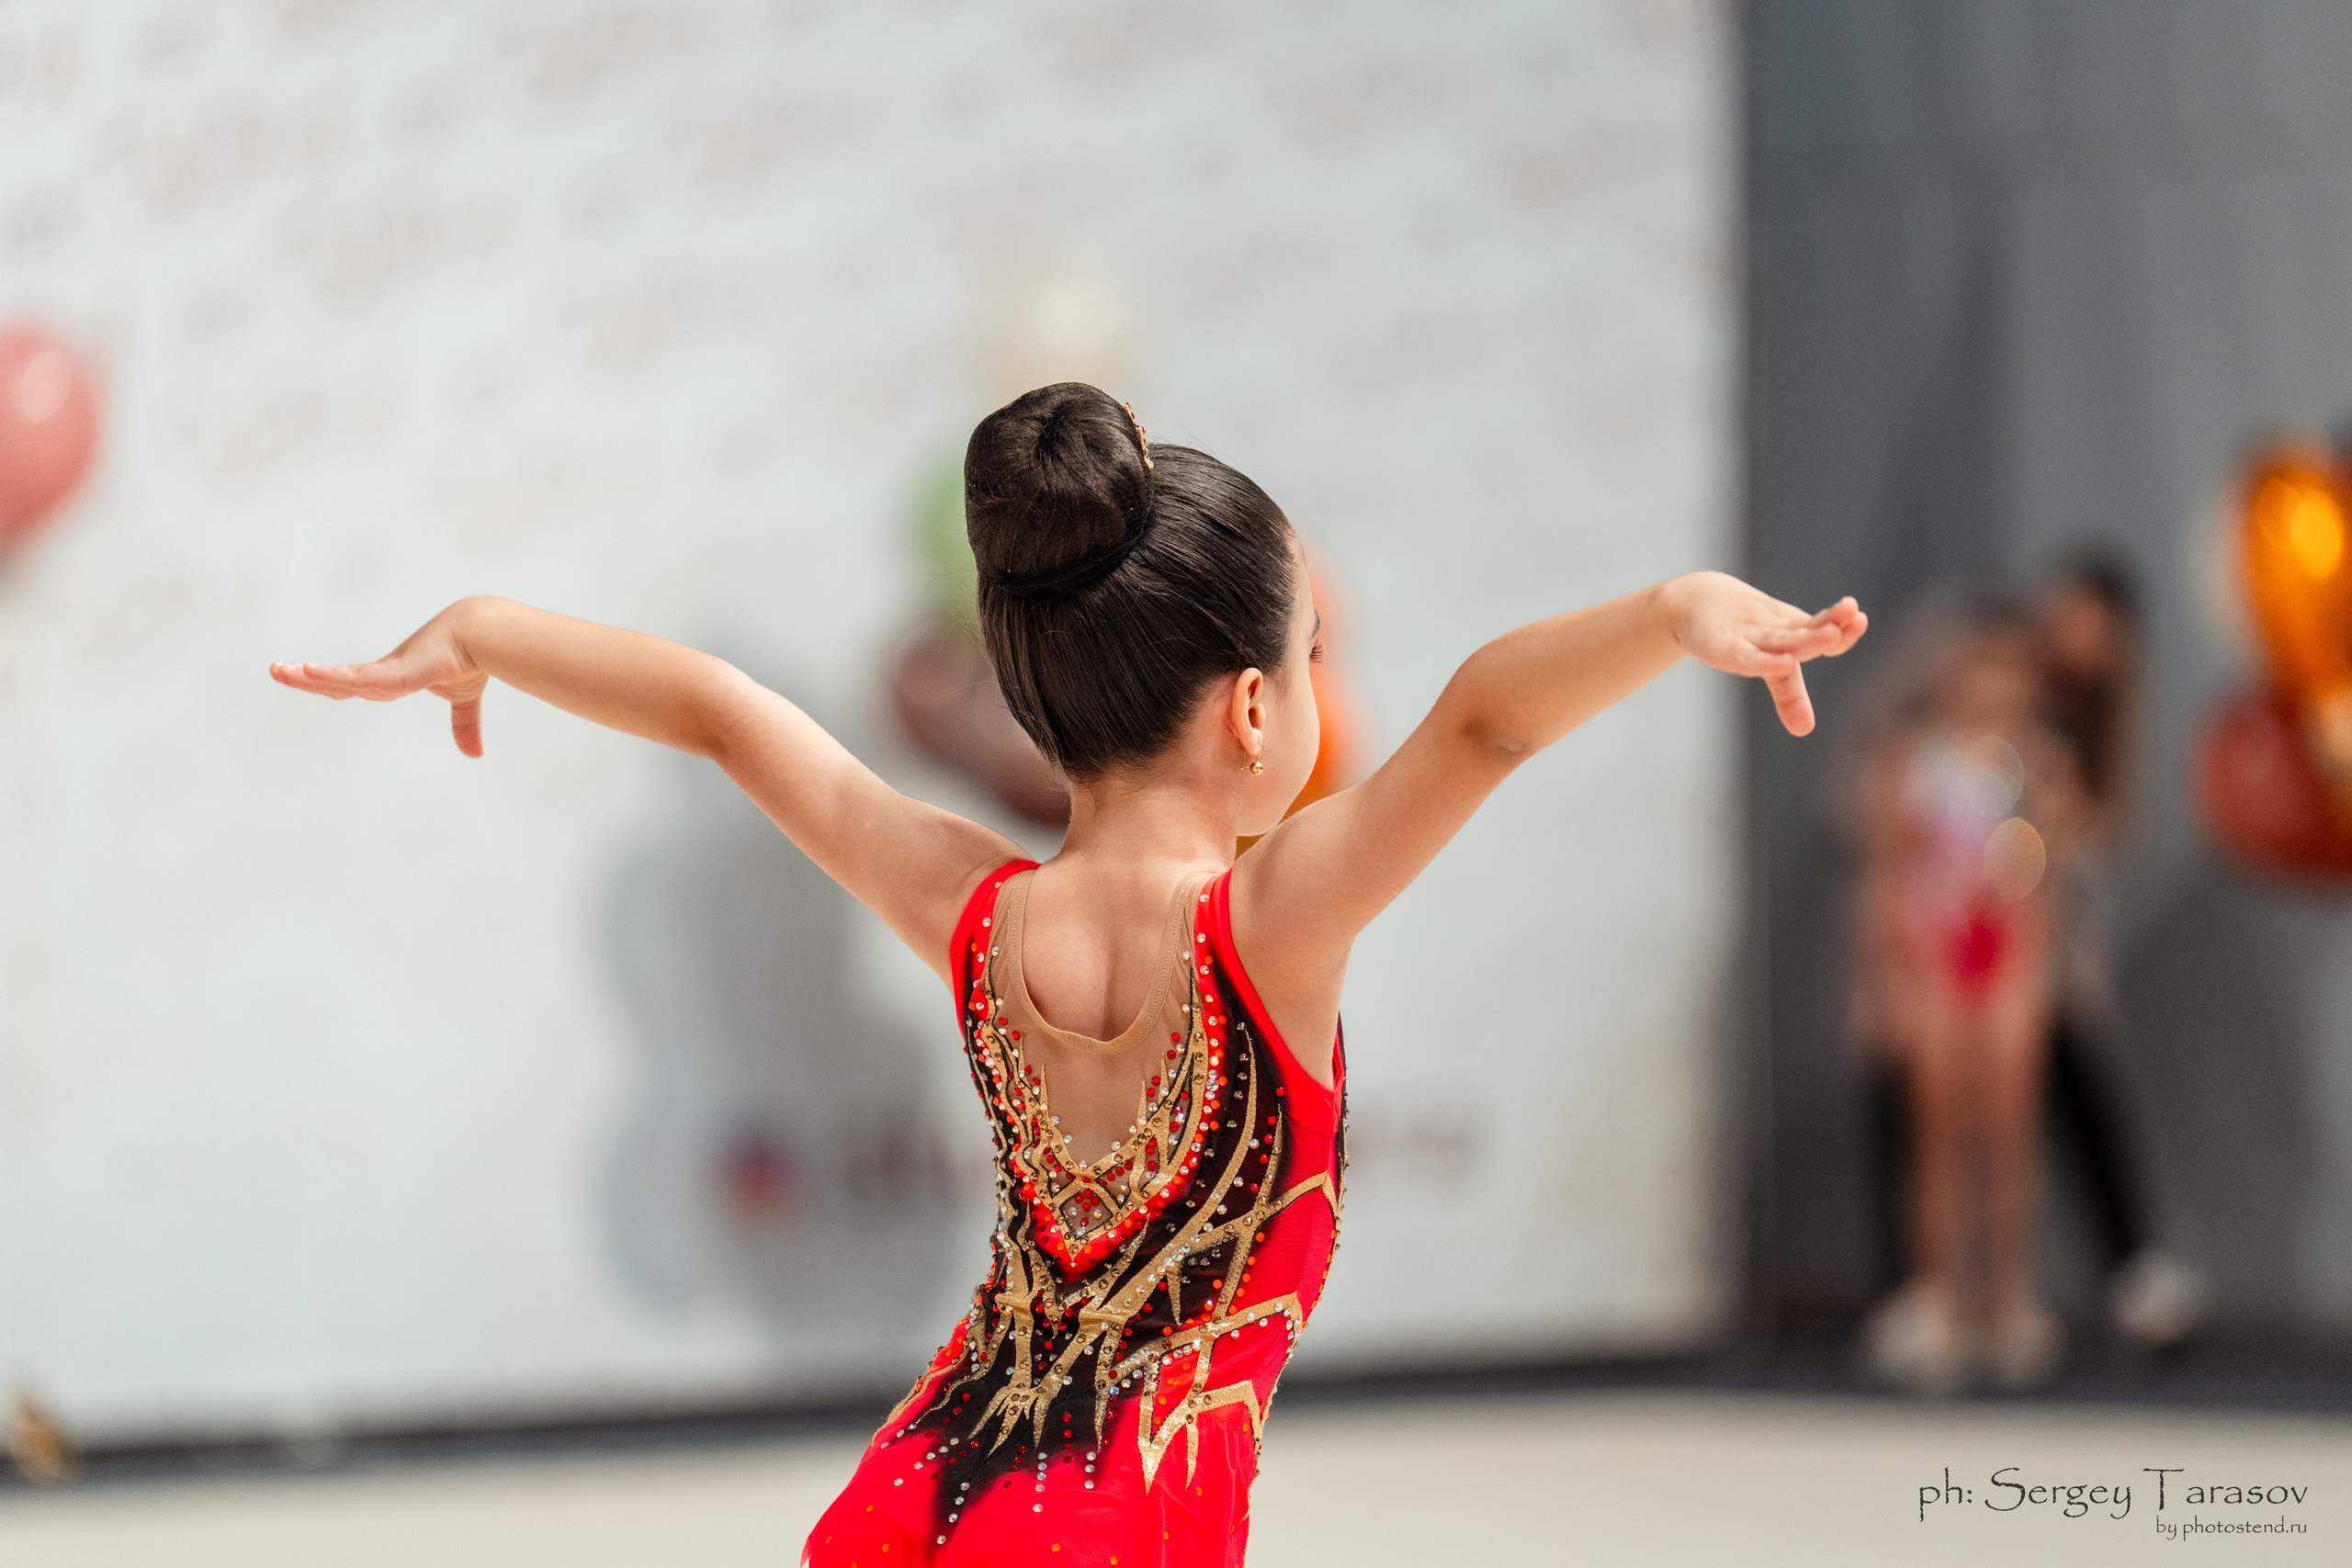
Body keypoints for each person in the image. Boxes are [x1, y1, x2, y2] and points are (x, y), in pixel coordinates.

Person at [271, 383, 1865, 1565]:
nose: (1323, 688)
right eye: (1311, 655)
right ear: (1254, 710)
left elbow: (721, 713)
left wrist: (483, 624)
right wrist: (1674, 613)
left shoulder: (971, 913)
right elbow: (1483, 719)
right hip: (1120, 1528)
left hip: (915, 1493)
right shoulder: (1275, 923)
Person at [1851, 592, 2075, 1393]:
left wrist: (2038, 959)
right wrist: (1879, 980)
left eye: (2009, 667)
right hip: (1931, 955)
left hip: (2007, 953)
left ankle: (2005, 1298)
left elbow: (2049, 869)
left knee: (2007, 1132)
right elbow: (1884, 875)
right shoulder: (1907, 759)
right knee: (1939, 1134)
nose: (1994, 683)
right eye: (1979, 663)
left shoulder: (2036, 760)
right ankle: (1938, 1294)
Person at [2034, 552, 2209, 1350]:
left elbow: (2104, 833)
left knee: (2078, 1096)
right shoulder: (1986, 672)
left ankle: (2131, 1266)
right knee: (1950, 1116)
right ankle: (1941, 1288)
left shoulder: (2100, 724)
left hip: (2047, 947)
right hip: (1940, 944)